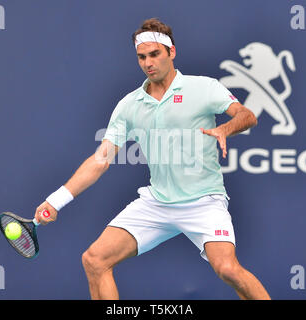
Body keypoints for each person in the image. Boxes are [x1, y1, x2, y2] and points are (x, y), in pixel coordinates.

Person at [34, 18, 271, 300]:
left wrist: (225, 128)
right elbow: (101, 159)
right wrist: (56, 200)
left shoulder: (204, 87)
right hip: (157, 203)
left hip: (204, 201)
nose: (148, 62)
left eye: (155, 54)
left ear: (171, 53)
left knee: (228, 269)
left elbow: (247, 115)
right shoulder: (129, 105)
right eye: (142, 57)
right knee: (95, 260)